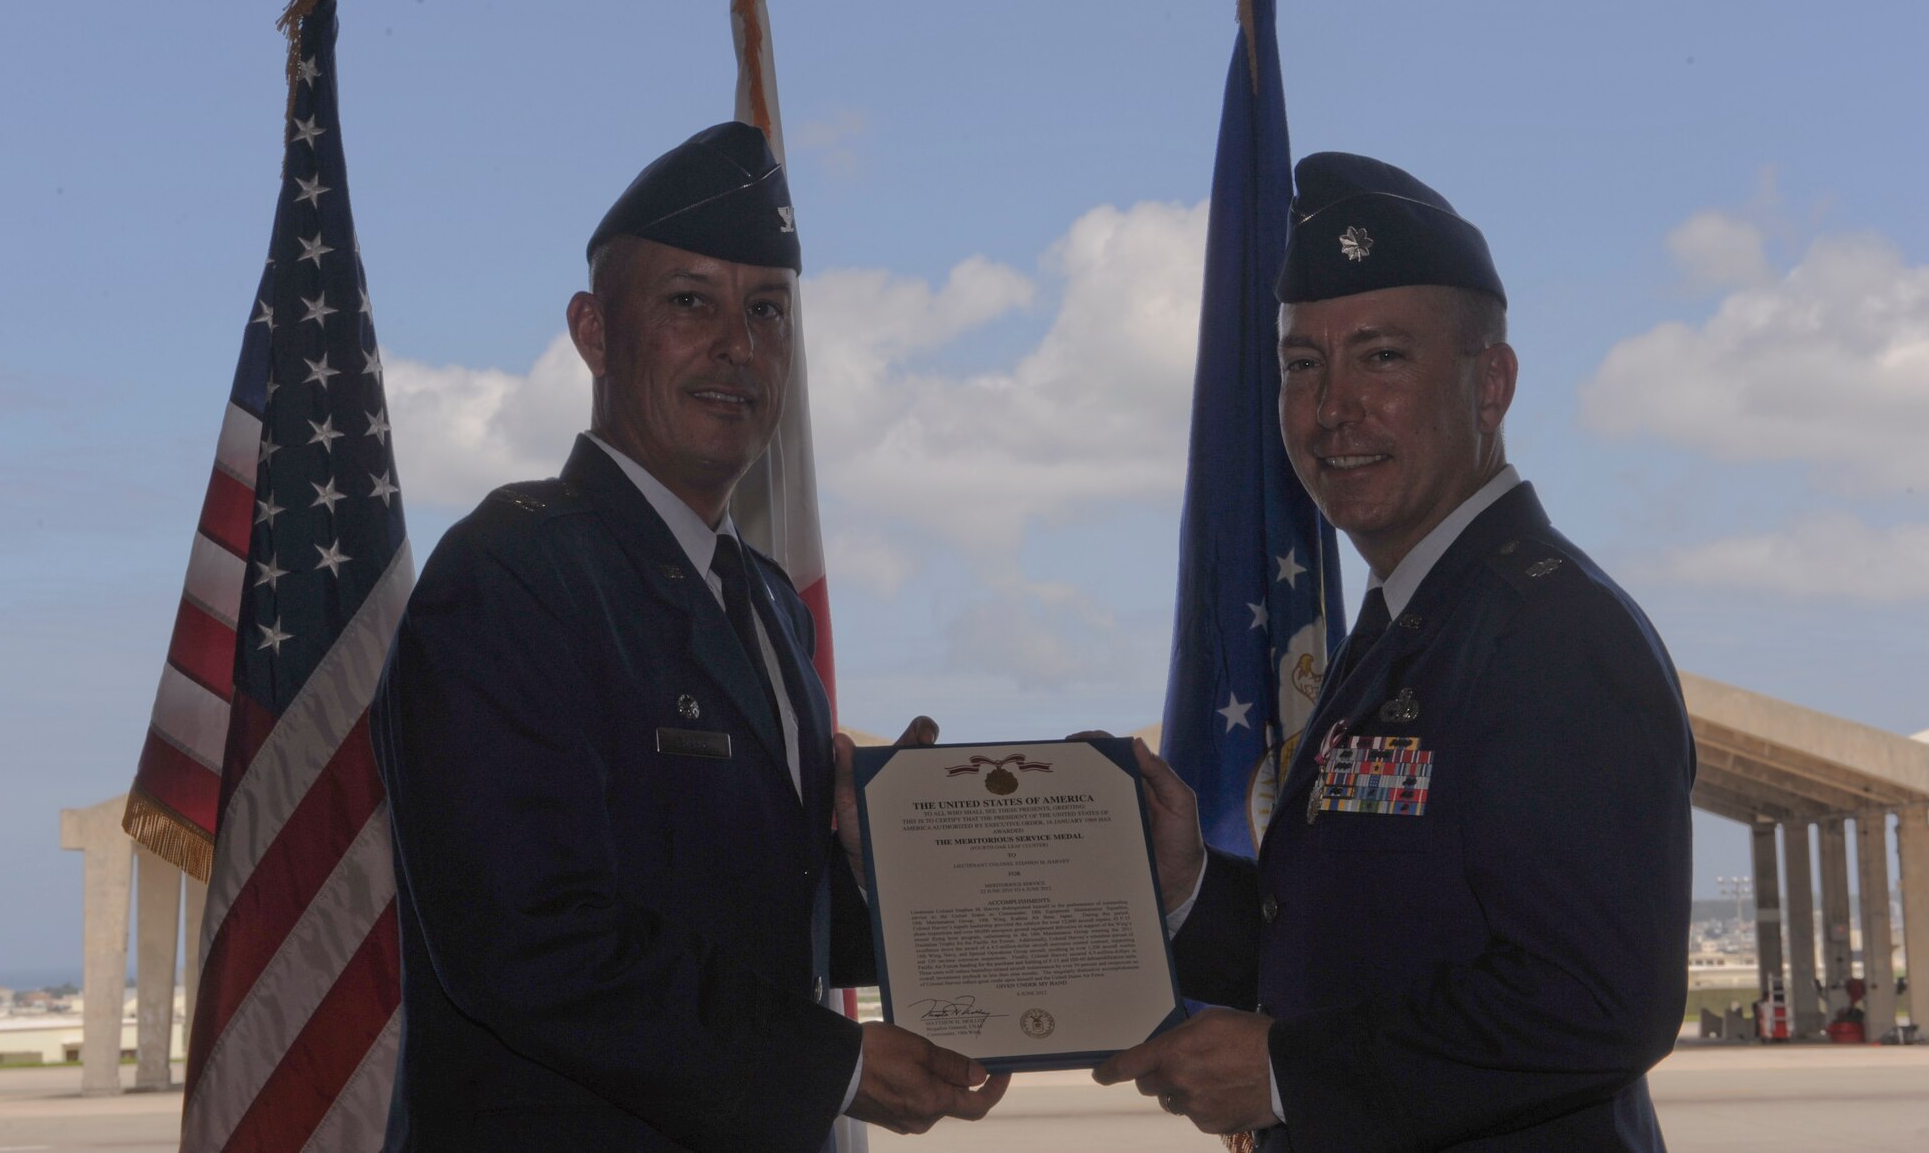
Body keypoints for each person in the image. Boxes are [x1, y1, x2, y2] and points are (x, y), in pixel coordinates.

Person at [372, 122, 1008, 1151]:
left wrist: (894, 861)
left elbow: (756, 910)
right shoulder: (510, 574)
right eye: (688, 303)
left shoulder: (762, 600)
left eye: (765, 310)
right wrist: (837, 1065)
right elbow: (524, 942)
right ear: (591, 330)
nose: (736, 344)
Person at [1096, 152, 1695, 1150]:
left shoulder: (1551, 635)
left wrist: (1283, 1073)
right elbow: (1353, 945)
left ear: (1490, 382)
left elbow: (1598, 1003)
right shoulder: (1415, 621)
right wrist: (1187, 880)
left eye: (1380, 358)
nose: (1332, 408)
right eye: (1301, 364)